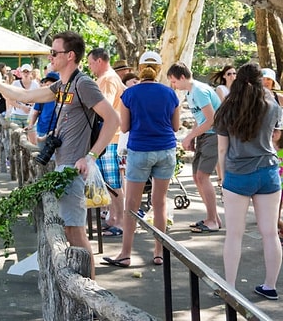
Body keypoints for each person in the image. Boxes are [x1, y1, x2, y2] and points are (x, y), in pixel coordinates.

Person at [0, 31, 120, 279]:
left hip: (74, 167)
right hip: (63, 165)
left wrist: (91, 156)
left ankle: (91, 290)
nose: (50, 56)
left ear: (70, 55)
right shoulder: (62, 85)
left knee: (75, 231)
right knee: (69, 230)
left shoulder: (84, 84)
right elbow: (24, 95)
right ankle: (85, 287)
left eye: (54, 52)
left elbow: (113, 120)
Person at [102, 51, 180, 268]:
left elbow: (124, 126)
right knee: (160, 202)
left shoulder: (129, 94)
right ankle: (158, 252)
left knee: (132, 205)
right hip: (165, 149)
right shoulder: (170, 93)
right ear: (159, 69)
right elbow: (175, 126)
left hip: (140, 150)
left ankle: (125, 254)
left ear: (139, 67)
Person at [214, 62, 282, 300]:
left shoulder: (226, 109)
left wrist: (222, 179)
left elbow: (222, 151)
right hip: (269, 172)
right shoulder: (272, 105)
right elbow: (275, 136)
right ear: (260, 80)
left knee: (234, 233)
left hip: (237, 174)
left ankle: (229, 287)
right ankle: (270, 286)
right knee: (270, 233)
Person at [167, 61, 222, 233]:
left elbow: (212, 120)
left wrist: (190, 136)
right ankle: (213, 217)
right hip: (205, 135)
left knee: (202, 176)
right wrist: (192, 136)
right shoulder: (191, 92)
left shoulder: (199, 90)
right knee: (197, 177)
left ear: (182, 77)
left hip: (214, 135)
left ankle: (213, 220)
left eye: (174, 81)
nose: (173, 85)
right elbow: (200, 119)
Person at [87, 48, 126, 237]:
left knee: (113, 182)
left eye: (91, 63)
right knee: (109, 182)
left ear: (99, 61)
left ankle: (120, 221)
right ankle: (113, 218)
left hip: (111, 137)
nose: (89, 67)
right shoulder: (104, 79)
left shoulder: (109, 79)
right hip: (106, 136)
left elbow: (106, 108)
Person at [210, 65, 236, 187]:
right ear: (224, 76)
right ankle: (221, 177)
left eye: (234, 73)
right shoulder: (221, 89)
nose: (232, 76)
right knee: (221, 148)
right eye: (229, 74)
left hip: (235, 123)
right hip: (223, 122)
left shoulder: (238, 90)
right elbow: (224, 105)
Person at [25, 71, 59, 146]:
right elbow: (35, 113)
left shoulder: (61, 98)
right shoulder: (42, 97)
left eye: (51, 85)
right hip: (43, 129)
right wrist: (31, 125)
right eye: (47, 85)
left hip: (56, 130)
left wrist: (31, 125)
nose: (48, 87)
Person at [7, 63, 39, 128]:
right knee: (17, 135)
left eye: (28, 72)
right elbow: (10, 99)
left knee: (30, 136)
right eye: (24, 72)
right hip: (16, 114)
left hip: (31, 115)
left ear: (31, 73)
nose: (26, 74)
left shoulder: (35, 84)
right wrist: (21, 107)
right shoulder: (15, 84)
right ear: (21, 73)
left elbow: (39, 99)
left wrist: (33, 103)